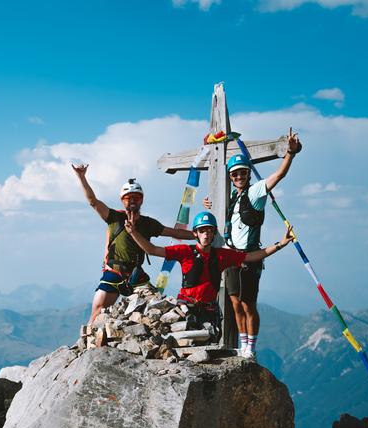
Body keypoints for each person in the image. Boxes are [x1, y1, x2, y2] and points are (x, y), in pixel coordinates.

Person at [125, 210, 294, 353]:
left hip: (209, 311)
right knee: (189, 348)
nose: (206, 234)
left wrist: (280, 244)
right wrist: (133, 233)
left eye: (209, 231)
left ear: (214, 233)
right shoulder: (185, 251)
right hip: (186, 309)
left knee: (207, 348)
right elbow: (152, 250)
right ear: (195, 234)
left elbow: (251, 256)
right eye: (202, 230)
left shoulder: (221, 255)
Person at [203, 128, 302, 358]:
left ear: (248, 174)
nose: (239, 177)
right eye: (235, 174)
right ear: (230, 177)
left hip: (249, 257)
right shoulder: (228, 198)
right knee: (235, 304)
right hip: (230, 257)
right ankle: (243, 344)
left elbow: (278, 176)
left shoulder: (256, 192)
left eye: (242, 174)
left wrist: (290, 153)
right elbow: (222, 213)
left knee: (249, 305)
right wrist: (211, 204)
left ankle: (251, 348)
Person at [73, 164, 192, 324]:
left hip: (135, 274)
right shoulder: (114, 218)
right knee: (98, 309)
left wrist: (199, 235)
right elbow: (93, 202)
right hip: (114, 271)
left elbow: (175, 233)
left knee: (155, 305)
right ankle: (87, 341)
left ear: (141, 199)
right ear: (123, 201)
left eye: (136, 197)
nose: (133, 201)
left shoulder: (148, 224)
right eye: (129, 198)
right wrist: (82, 177)